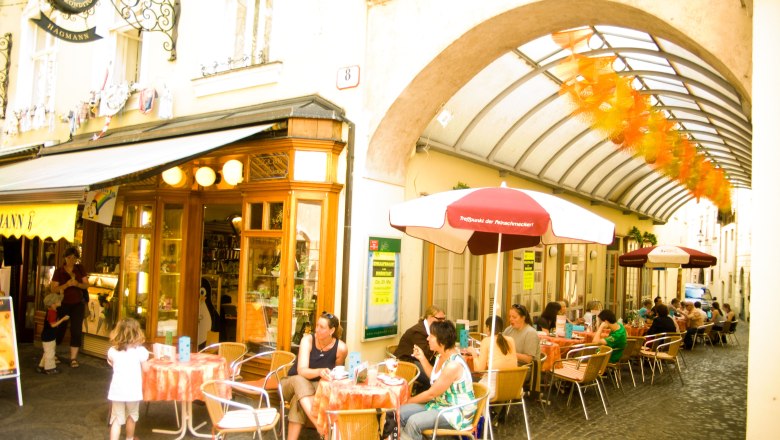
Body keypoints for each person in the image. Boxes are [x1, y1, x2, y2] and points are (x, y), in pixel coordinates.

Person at [400, 320, 476, 440]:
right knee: (399, 413)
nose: (427, 338)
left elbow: (431, 394)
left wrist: (407, 400)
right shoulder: (440, 356)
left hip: (456, 411)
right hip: (439, 404)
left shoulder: (453, 365)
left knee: (413, 422)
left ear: (442, 340)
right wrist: (422, 358)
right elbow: (434, 377)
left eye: (431, 336)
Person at [281, 312, 348, 440]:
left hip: (317, 387)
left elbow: (337, 373)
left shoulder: (341, 348)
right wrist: (319, 371)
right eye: (316, 325)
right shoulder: (308, 340)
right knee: (300, 380)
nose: (316, 329)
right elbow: (301, 370)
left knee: (298, 400)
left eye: (321, 327)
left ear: (332, 330)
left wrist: (328, 376)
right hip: (291, 382)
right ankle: (320, 426)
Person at [107, 318, 149, 440]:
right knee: (132, 415)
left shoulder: (112, 351)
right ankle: (129, 438)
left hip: (117, 390)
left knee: (116, 418)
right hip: (133, 390)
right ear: (137, 333)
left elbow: (111, 362)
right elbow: (146, 369)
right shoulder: (140, 351)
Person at [50, 246, 89, 368]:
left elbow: (86, 285)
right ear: (65, 258)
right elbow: (53, 288)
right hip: (63, 304)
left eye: (74, 257)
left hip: (77, 304)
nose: (71, 260)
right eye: (69, 257)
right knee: (60, 329)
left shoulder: (80, 269)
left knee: (76, 330)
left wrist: (77, 284)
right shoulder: (59, 271)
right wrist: (66, 285)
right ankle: (52, 353)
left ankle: (73, 358)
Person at [394, 305, 446, 391]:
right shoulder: (417, 331)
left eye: (444, 319)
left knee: (442, 372)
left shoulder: (433, 330)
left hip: (420, 359)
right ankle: (423, 397)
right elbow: (426, 354)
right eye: (439, 319)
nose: (442, 322)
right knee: (433, 379)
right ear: (429, 317)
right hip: (407, 362)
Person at [467, 316, 516, 399]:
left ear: (488, 327)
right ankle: (496, 410)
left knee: (471, 379)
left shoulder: (486, 341)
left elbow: (479, 369)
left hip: (494, 387)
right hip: (513, 386)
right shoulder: (510, 340)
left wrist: (474, 354)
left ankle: (481, 411)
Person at [37, 293, 69, 375]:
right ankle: (49, 368)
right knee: (50, 353)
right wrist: (63, 319)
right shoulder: (52, 312)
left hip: (48, 335)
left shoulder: (51, 311)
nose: (60, 301)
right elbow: (53, 324)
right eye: (58, 300)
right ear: (53, 303)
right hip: (49, 336)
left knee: (47, 351)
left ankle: (42, 366)